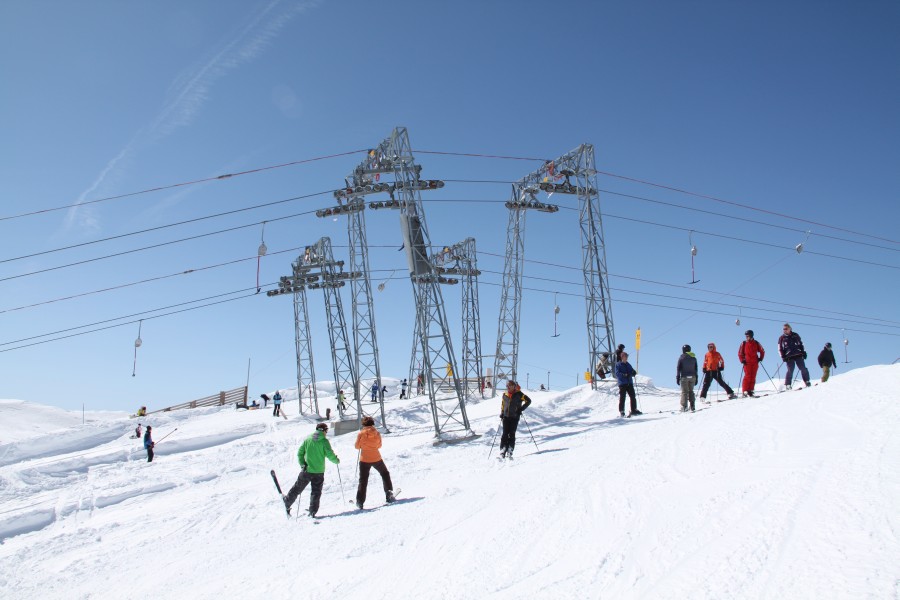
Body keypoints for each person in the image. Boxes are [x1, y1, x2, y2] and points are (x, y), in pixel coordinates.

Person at [282, 423, 340, 517]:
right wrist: (336, 460)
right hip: (319, 471)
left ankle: (287, 502)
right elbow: (330, 454)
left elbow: (300, 453)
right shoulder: (324, 441)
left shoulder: (308, 440)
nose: (326, 433)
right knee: (316, 492)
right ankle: (312, 511)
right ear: (323, 430)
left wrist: (302, 464)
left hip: (307, 470)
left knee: (297, 488)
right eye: (326, 431)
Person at [354, 416, 396, 509]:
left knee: (363, 480)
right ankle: (389, 493)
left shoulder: (361, 433)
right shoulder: (377, 433)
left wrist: (363, 446)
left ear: (364, 424)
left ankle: (360, 501)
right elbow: (379, 445)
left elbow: (357, 446)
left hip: (364, 459)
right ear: (372, 423)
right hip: (376, 458)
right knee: (385, 473)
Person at [498, 380, 532, 459]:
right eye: (507, 385)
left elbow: (528, 401)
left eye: (510, 385)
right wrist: (502, 413)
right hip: (506, 417)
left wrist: (521, 409)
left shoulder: (519, 394)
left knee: (512, 433)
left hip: (514, 417)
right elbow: (503, 404)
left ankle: (510, 449)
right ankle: (503, 449)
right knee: (505, 433)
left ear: (514, 386)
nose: (508, 387)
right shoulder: (504, 394)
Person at [778, 323, 811, 389]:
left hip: (798, 354)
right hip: (789, 356)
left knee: (803, 368)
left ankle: (807, 381)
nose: (784, 330)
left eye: (786, 329)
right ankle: (788, 385)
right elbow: (780, 348)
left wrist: (804, 352)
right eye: (783, 329)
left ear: (790, 329)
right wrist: (782, 356)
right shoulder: (782, 338)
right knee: (790, 370)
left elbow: (801, 344)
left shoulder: (795, 335)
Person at [738, 330, 765, 397]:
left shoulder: (756, 343)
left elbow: (762, 350)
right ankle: (745, 391)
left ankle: (750, 390)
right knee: (748, 376)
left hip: (755, 362)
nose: (746, 337)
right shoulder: (744, 343)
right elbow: (740, 353)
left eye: (748, 336)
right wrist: (742, 360)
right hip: (747, 362)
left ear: (751, 336)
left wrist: (760, 358)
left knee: (753, 376)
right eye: (746, 336)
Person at [614, 351, 641, 417]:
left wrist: (633, 372)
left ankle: (634, 409)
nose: (626, 358)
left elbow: (632, 371)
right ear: (622, 357)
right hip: (622, 383)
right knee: (622, 397)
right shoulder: (618, 365)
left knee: (633, 396)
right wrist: (624, 375)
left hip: (629, 382)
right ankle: (622, 411)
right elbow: (617, 373)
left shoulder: (628, 364)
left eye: (627, 356)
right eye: (625, 356)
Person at [676, 344, 699, 412]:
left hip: (684, 377)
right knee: (691, 391)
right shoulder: (694, 358)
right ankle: (692, 406)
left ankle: (684, 407)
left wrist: (677, 377)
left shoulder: (681, 358)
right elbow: (696, 368)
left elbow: (678, 368)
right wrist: (696, 378)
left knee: (684, 392)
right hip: (693, 377)